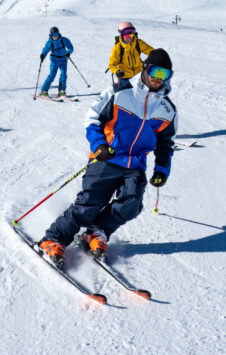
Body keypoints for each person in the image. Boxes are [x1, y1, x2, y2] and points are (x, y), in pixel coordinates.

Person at [38, 48, 177, 268]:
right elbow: (93, 119)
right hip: (107, 158)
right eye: (155, 71)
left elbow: (165, 144)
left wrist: (161, 170)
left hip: (135, 165)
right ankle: (53, 238)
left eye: (165, 75)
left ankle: (96, 232)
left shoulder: (167, 109)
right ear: (145, 69)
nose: (158, 79)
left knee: (131, 205)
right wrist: (99, 145)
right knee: (89, 204)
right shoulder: (120, 93)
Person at [108, 21, 154, 91]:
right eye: (127, 36)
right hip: (125, 77)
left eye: (131, 35)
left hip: (139, 76)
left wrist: (157, 56)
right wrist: (117, 71)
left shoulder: (138, 43)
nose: (129, 38)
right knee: (122, 96)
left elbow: (150, 51)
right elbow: (112, 65)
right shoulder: (118, 48)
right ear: (121, 35)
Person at [39, 26, 74, 97]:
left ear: (59, 34)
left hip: (63, 59)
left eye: (56, 34)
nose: (55, 36)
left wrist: (68, 52)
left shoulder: (64, 40)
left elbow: (70, 47)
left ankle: (62, 90)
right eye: (53, 35)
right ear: (50, 35)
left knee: (64, 75)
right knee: (52, 75)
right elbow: (46, 49)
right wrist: (43, 55)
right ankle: (44, 90)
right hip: (54, 60)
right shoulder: (50, 42)